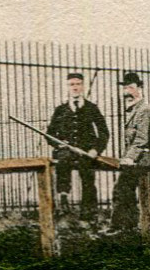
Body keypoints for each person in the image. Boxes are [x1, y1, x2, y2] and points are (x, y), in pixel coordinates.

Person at [45, 72, 109, 213]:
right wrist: (58, 144)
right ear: (67, 87)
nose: (75, 87)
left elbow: (104, 133)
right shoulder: (60, 110)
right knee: (63, 161)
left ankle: (89, 212)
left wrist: (95, 150)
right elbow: (49, 134)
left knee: (87, 175)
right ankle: (63, 199)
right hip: (65, 151)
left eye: (78, 84)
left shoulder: (92, 108)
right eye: (72, 84)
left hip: (86, 152)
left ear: (83, 86)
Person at [110, 71, 150, 234]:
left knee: (122, 189)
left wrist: (129, 158)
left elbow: (142, 139)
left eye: (131, 87)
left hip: (142, 157)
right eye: (125, 87)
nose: (127, 91)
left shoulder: (144, 110)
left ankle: (120, 226)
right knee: (124, 190)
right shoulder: (132, 110)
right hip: (134, 158)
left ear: (140, 88)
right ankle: (128, 226)